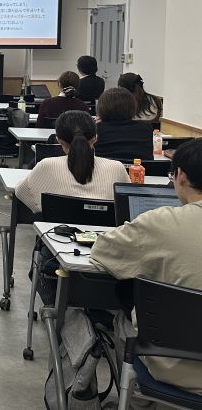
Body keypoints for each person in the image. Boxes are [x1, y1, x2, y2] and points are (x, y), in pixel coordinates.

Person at [90, 138, 202, 395]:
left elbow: (102, 252)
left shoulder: (161, 221)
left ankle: (138, 401)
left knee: (122, 320)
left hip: (175, 367)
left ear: (181, 175)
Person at [15, 111, 129, 213]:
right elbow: (128, 205)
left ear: (59, 140)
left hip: (57, 229)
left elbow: (22, 193)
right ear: (95, 139)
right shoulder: (117, 168)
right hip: (106, 230)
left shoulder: (47, 166)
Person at [93, 87, 154, 161]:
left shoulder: (97, 129)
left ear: (101, 108)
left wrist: (93, 125)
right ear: (132, 106)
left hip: (106, 168)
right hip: (142, 168)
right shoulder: (145, 128)